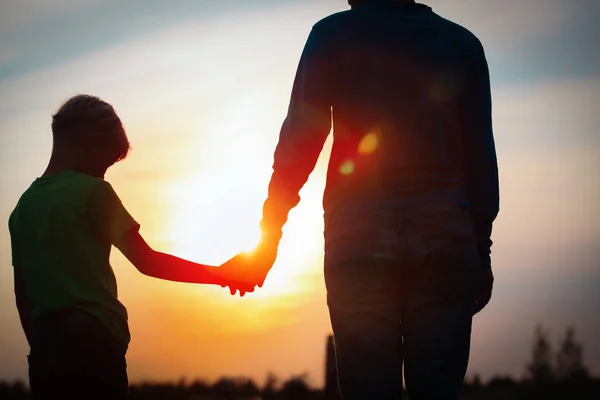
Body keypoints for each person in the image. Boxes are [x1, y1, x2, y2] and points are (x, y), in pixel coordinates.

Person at [229, 0, 499, 398]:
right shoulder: (462, 44)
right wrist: (481, 250)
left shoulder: (333, 35)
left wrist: (267, 240)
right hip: (446, 240)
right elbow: (480, 160)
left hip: (357, 240)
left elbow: (298, 144)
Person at [8, 94, 250, 400]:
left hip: (45, 350)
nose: (103, 173)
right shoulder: (94, 192)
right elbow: (147, 261)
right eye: (105, 163)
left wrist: (40, 350)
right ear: (89, 140)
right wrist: (221, 274)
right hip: (96, 343)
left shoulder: (22, 208)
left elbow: (22, 295)